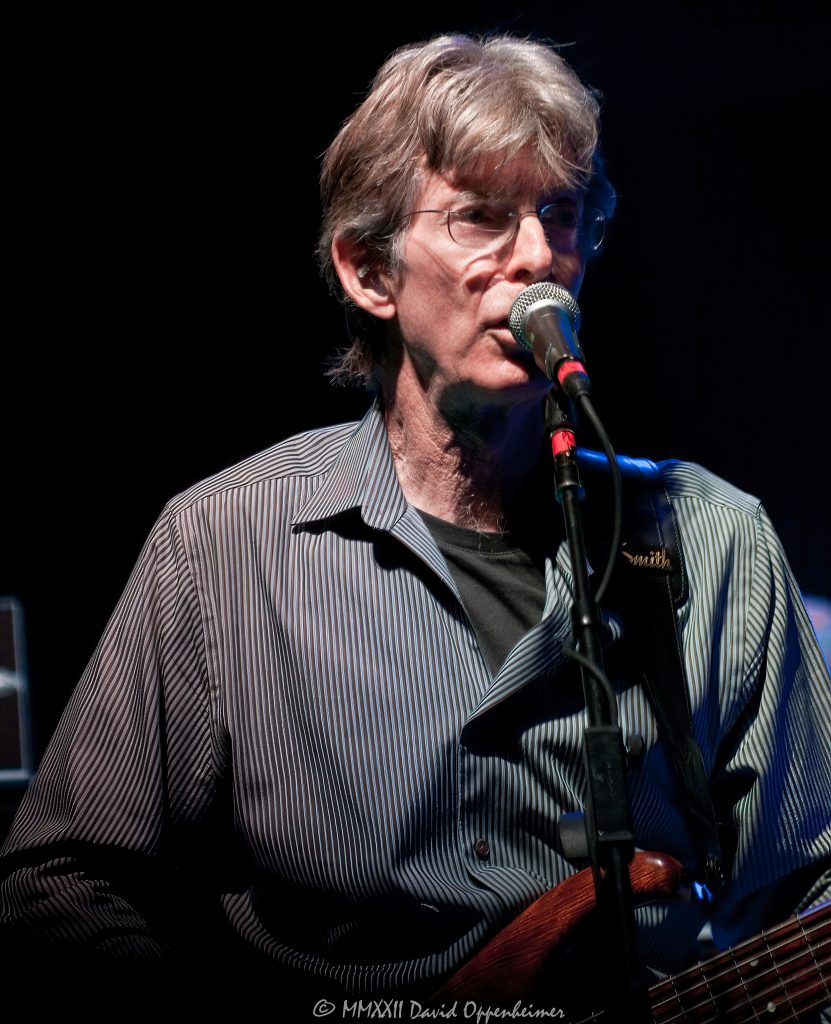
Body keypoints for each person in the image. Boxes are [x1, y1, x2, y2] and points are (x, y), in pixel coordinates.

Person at [2, 33, 830, 1020]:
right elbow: (54, 886)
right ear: (367, 270)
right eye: (481, 217)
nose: (537, 260)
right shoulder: (224, 541)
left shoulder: (714, 540)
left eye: (559, 215)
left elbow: (807, 879)